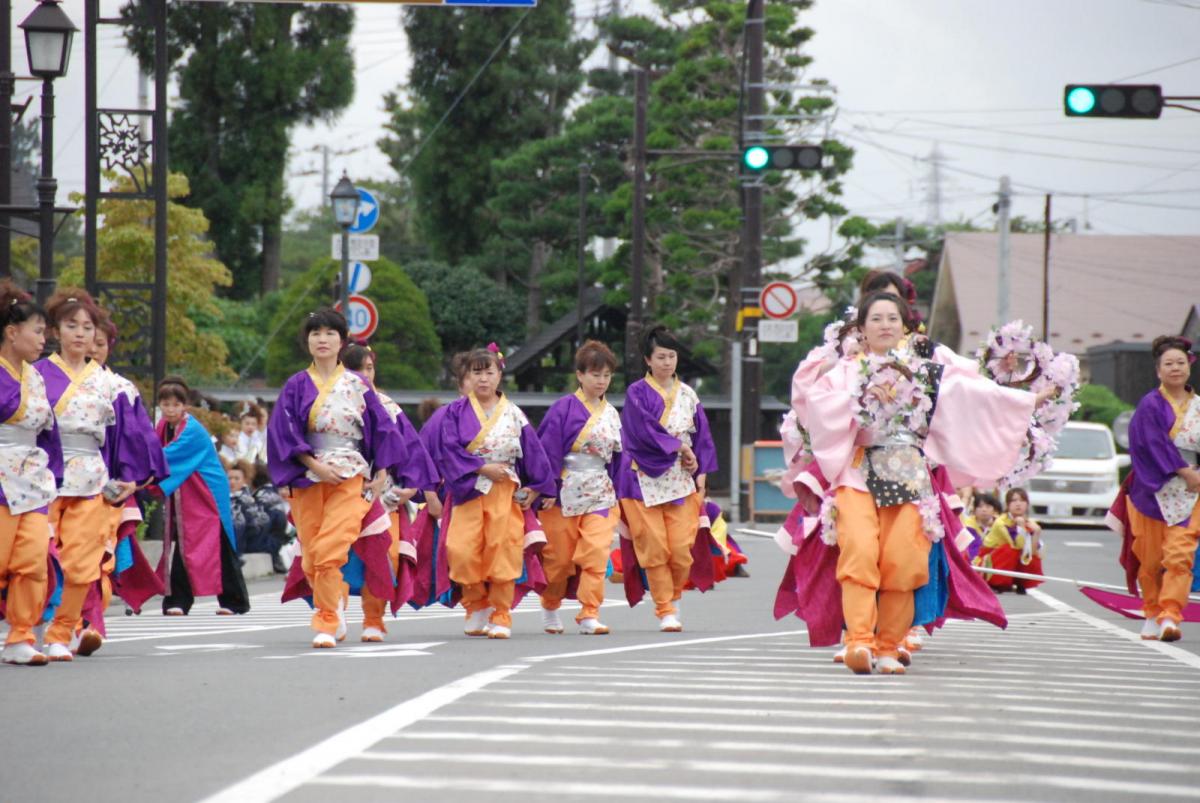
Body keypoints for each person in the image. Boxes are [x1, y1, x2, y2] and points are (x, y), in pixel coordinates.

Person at [806, 292, 1052, 674]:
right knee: (857, 551)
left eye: (892, 318)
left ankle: (888, 646)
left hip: (908, 474)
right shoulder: (844, 373)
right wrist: (856, 400)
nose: (885, 325)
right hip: (857, 473)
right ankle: (858, 640)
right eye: (876, 319)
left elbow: (976, 395)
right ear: (862, 329)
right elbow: (818, 408)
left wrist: (1025, 401)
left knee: (903, 562)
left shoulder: (926, 371)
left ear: (905, 326)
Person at [267, 309, 409, 648]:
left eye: (330, 333)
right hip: (308, 474)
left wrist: (382, 471)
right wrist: (313, 465)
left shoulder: (358, 384)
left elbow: (381, 429)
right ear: (308, 341)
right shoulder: (296, 385)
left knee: (331, 547)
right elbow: (282, 431)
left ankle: (327, 619)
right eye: (315, 333)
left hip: (350, 473)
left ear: (341, 340)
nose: (322, 339)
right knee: (313, 554)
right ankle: (334, 608)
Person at [34, 290, 155, 661]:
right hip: (39, 478)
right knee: (33, 558)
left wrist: (131, 478)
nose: (80, 334)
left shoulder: (113, 385)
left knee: (82, 562)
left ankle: (62, 630)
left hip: (91, 479)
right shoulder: (33, 376)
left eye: (88, 327)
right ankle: (25, 629)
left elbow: (134, 436)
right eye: (71, 325)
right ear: (55, 330)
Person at [434, 345, 554, 639]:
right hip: (469, 489)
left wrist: (537, 488)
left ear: (500, 375)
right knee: (461, 549)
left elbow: (534, 454)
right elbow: (448, 450)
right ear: (468, 377)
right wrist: (480, 467)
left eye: (489, 372)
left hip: (503, 490)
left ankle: (501, 612)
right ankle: (475, 603)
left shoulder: (514, 414)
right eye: (477, 372)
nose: (483, 378)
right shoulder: (453, 413)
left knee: (502, 548)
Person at [617, 325, 718, 633]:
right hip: (643, 478)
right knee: (655, 547)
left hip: (681, 479)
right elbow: (642, 432)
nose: (667, 363)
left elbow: (703, 436)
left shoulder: (688, 394)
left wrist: (700, 470)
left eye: (672, 356)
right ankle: (665, 607)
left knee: (682, 547)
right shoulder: (637, 392)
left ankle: (672, 596)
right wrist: (680, 447)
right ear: (648, 360)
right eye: (660, 357)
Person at [340, 343, 440, 642]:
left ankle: (374, 618)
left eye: (369, 368)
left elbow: (410, 449)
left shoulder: (387, 405)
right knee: (336, 555)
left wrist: (411, 485)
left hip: (382, 496)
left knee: (385, 554)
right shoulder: (326, 404)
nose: (364, 375)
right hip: (336, 489)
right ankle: (333, 610)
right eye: (356, 369)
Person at [536, 340, 622, 636]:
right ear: (580, 375)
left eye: (607, 375)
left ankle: (589, 612)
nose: (601, 381)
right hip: (563, 492)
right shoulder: (562, 409)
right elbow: (546, 452)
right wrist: (545, 490)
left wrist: (621, 495)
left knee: (596, 554)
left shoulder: (612, 413)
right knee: (559, 560)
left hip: (600, 491)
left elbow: (619, 459)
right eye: (595, 374)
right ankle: (550, 604)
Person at [1122, 335, 1200, 642]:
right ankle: (1152, 612)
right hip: (1151, 492)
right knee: (1152, 559)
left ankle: (1170, 615)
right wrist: (1182, 470)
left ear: (1189, 366)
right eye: (1169, 363)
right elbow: (1150, 444)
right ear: (1158, 371)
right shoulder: (1149, 405)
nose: (1175, 368)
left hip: (1191, 493)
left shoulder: (1198, 406)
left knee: (1180, 556)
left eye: (1180, 362)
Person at [0, 283, 61, 666]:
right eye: (37, 331)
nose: (44, 339)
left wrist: (53, 472)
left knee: (33, 560)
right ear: (11, 332)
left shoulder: (34, 377)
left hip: (32, 479)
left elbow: (48, 431)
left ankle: (21, 636)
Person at [154, 376, 250, 616]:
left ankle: (233, 600)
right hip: (185, 492)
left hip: (207, 491)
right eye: (166, 404)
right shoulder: (162, 427)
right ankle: (177, 600)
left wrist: (139, 471)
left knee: (219, 542)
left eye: (176, 405)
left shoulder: (192, 430)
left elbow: (165, 456)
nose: (171, 409)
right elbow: (153, 450)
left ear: (185, 405)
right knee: (185, 543)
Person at [976, 488, 1044, 594]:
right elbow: (1017, 545)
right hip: (988, 559)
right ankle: (996, 582)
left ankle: (1022, 583)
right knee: (1010, 550)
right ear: (1008, 505)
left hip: (1010, 557)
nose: (1018, 504)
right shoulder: (1001, 522)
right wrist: (1021, 527)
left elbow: (1034, 551)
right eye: (1014, 500)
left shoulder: (1029, 522)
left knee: (1032, 556)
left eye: (1022, 500)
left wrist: (1037, 533)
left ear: (1027, 504)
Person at [960, 492, 1001, 562]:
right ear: (975, 510)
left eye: (988, 506)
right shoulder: (967, 525)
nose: (984, 510)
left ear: (994, 509)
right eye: (980, 507)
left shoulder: (1001, 524)